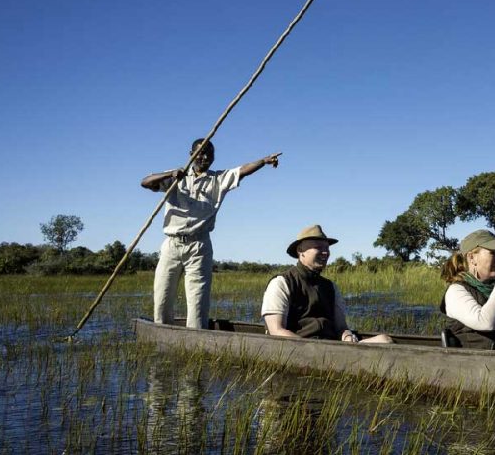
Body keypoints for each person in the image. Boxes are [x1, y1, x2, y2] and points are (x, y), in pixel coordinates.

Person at [142, 138, 281, 329]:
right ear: (191, 154)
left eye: (210, 153)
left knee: (198, 299)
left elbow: (243, 170)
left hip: (199, 246)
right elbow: (145, 182)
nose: (205, 156)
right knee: (162, 295)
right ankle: (163, 331)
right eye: (200, 152)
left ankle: (195, 337)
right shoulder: (175, 176)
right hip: (172, 244)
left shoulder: (218, 179)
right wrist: (173, 175)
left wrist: (263, 161)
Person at [262, 225, 394, 344]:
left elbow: (341, 328)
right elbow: (277, 331)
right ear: (300, 250)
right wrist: (312, 349)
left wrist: (348, 337)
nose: (325, 252)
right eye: (318, 247)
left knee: (384, 340)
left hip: (332, 346)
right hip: (302, 348)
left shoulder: (330, 287)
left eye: (327, 248)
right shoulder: (281, 283)